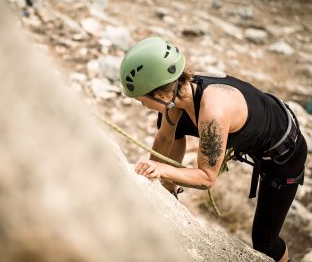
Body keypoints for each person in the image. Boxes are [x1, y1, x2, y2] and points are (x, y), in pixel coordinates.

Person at [119, 36, 307, 262]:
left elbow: (206, 178)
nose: (143, 106)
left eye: (142, 101)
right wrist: (162, 189)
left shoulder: (213, 112)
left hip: (284, 156)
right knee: (176, 129)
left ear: (160, 94)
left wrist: (160, 169)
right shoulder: (179, 94)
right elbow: (165, 140)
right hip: (267, 122)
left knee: (266, 242)